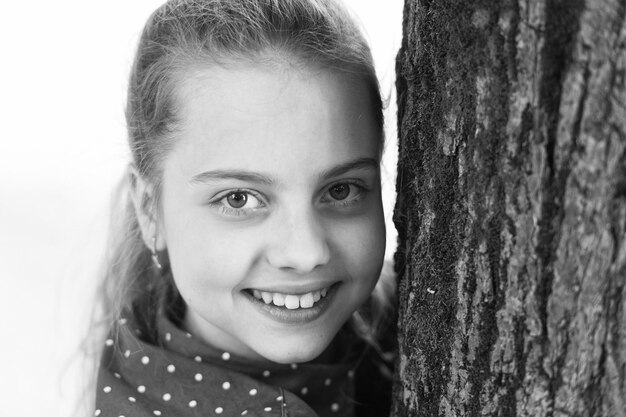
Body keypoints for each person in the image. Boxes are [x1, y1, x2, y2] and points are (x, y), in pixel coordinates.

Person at [94, 0, 396, 415]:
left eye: (341, 191)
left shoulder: (392, 327)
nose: (306, 254)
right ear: (150, 209)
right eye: (240, 199)